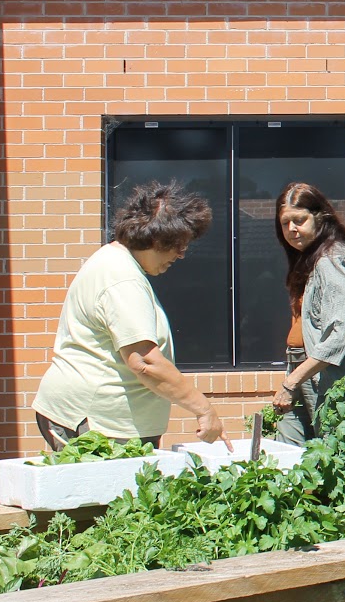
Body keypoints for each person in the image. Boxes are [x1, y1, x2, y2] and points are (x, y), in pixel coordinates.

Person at [33, 181, 224, 449]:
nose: (181, 255)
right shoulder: (122, 278)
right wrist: (205, 409)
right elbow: (145, 362)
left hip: (96, 417)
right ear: (157, 238)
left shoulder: (114, 262)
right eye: (179, 245)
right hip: (98, 424)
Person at [270, 182, 345, 446]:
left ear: (319, 217)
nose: (291, 229)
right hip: (299, 364)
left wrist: (290, 382)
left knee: (334, 451)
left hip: (323, 371)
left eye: (299, 220)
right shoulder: (308, 259)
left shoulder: (331, 259)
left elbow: (336, 339)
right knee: (288, 454)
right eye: (285, 223)